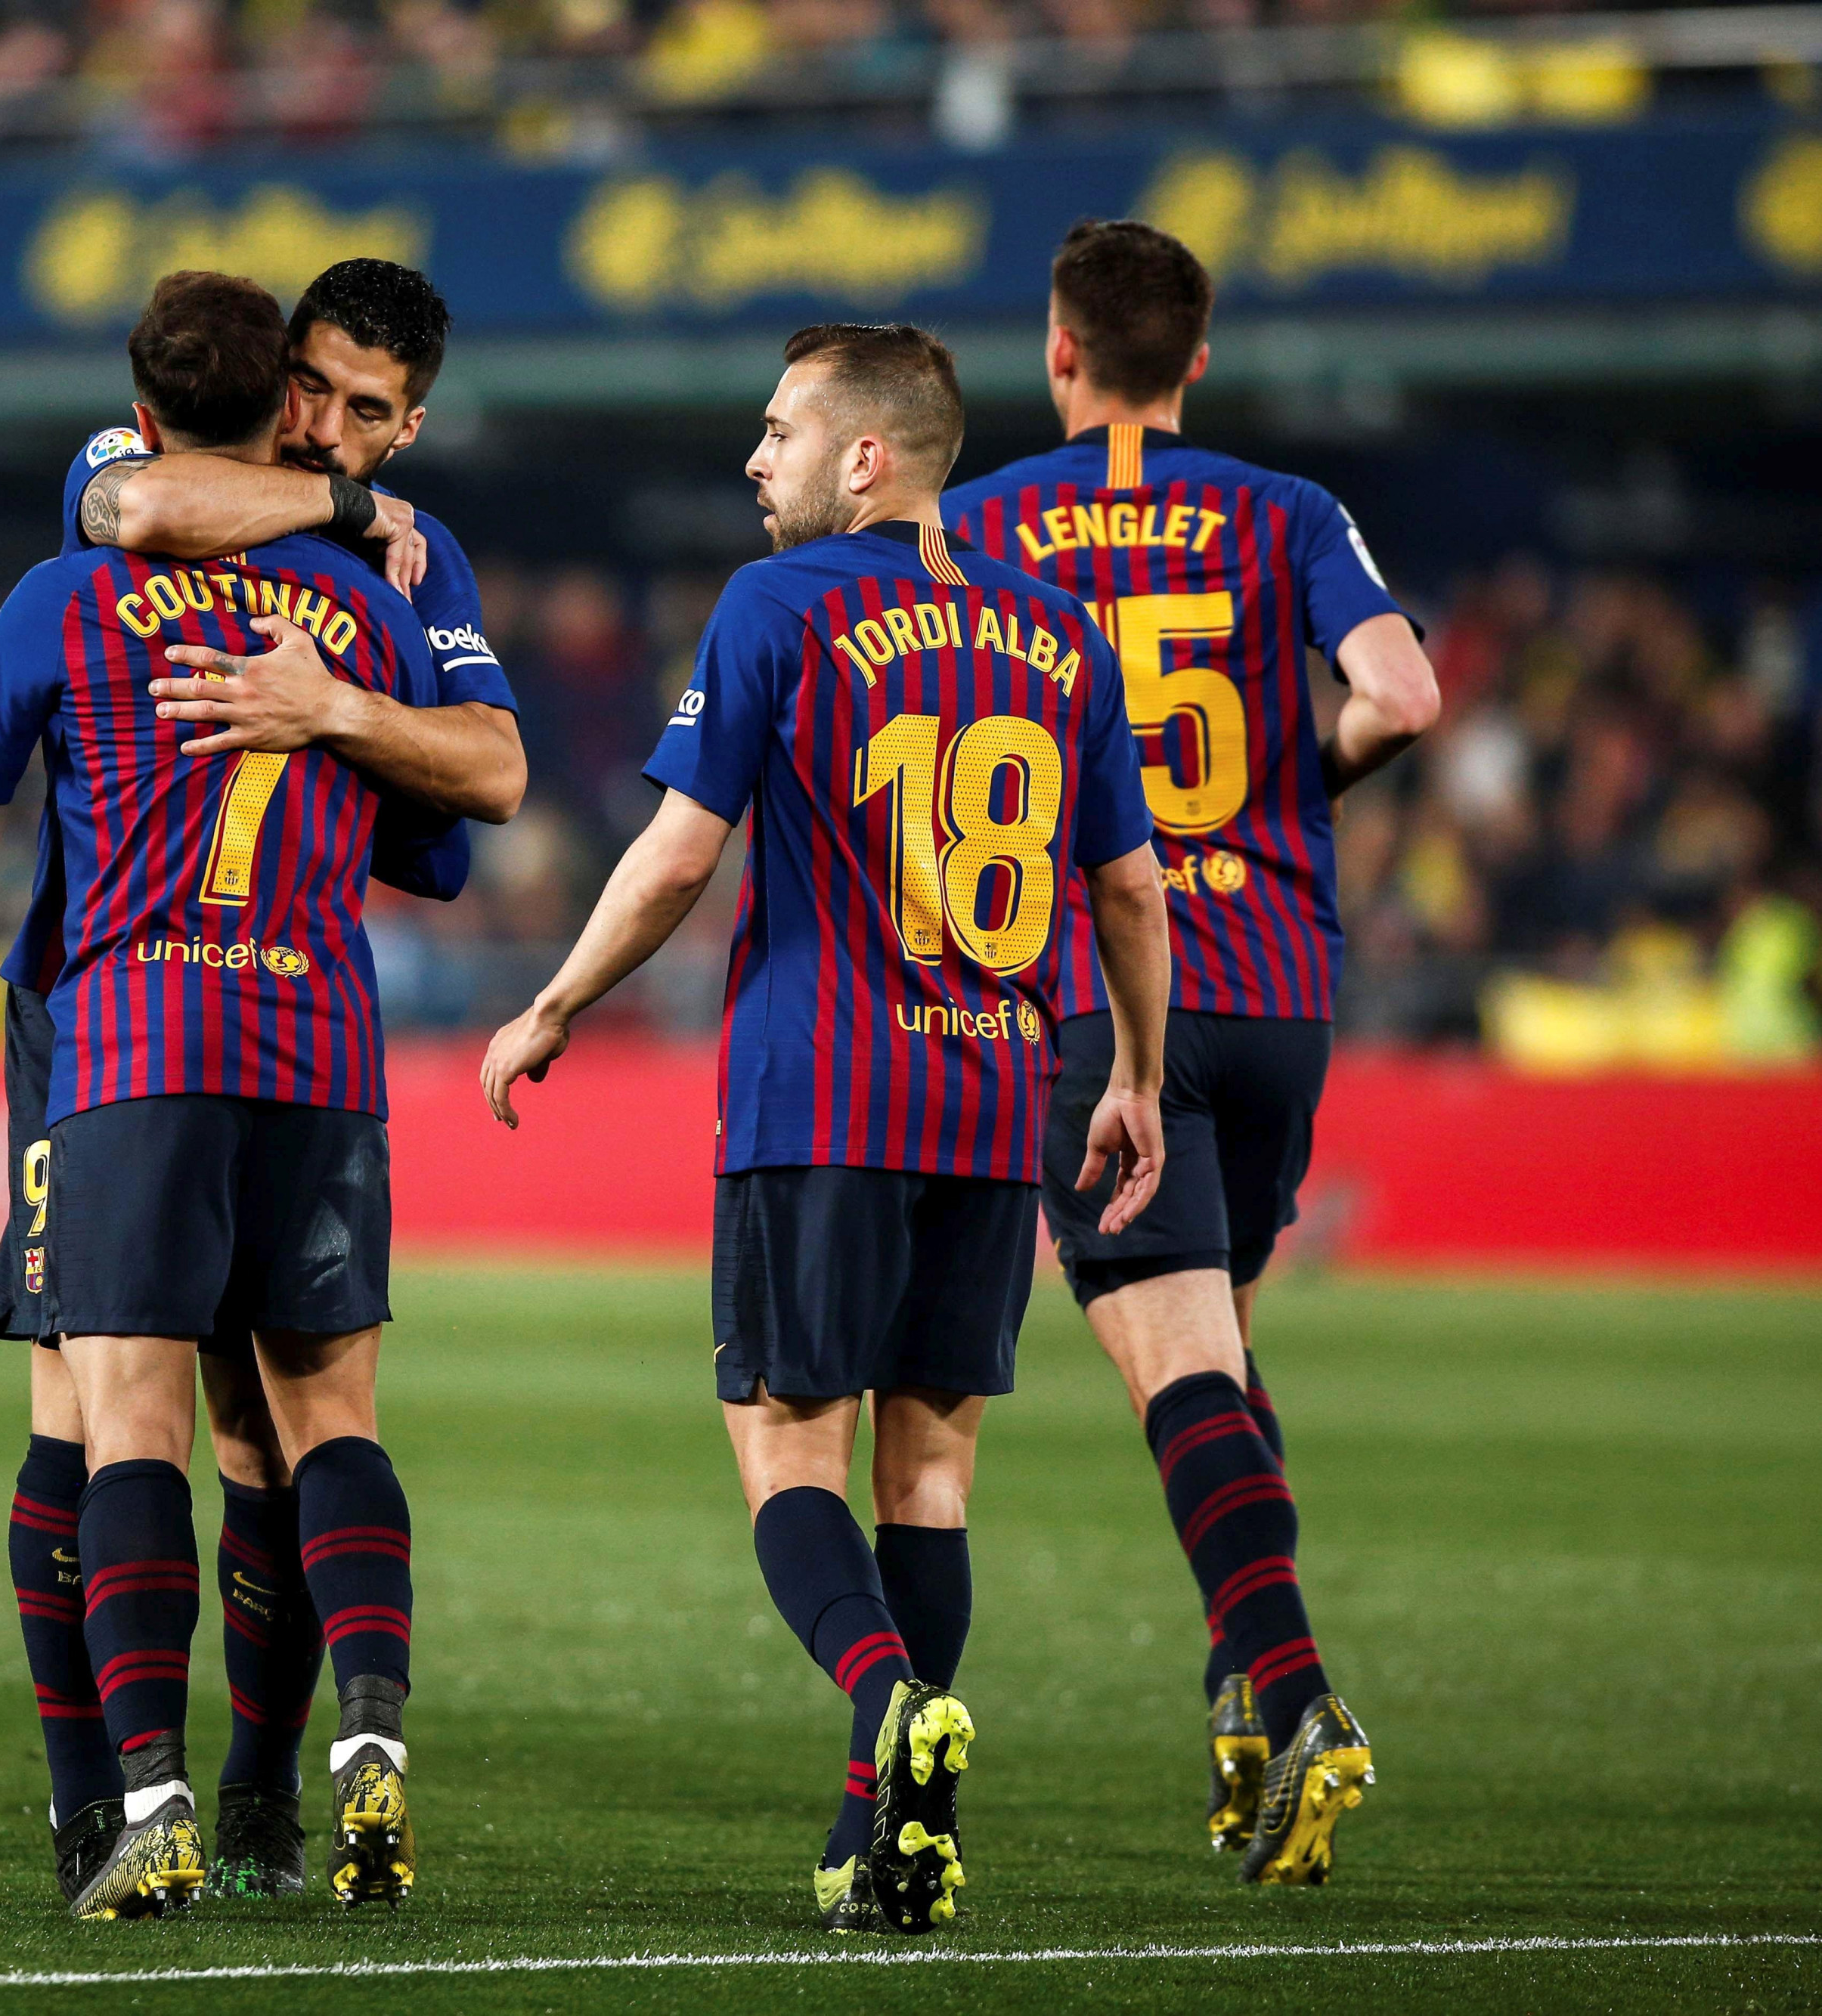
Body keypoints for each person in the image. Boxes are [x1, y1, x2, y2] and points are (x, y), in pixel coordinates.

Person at [481, 324, 1171, 1936]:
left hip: (826, 1097)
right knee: (924, 1479)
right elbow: (1128, 885)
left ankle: (880, 1700)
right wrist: (1132, 1071)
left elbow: (669, 858)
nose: (753, 456)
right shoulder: (1059, 632)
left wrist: (558, 1001)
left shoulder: (777, 606)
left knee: (786, 1448)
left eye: (778, 429)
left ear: (867, 456)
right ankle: (884, 1828)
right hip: (998, 1100)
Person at [0, 271, 499, 1919]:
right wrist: (349, 566)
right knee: (292, 1422)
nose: (331, 425)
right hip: (303, 1028)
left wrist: (335, 714)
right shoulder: (370, 554)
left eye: (368, 413)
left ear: (410, 418)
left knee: (128, 1417)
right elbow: (445, 841)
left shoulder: (84, 577)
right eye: (314, 392)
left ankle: (170, 1796)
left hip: (119, 1024)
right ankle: (282, 1768)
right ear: (285, 389)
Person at [942, 219, 1439, 1885]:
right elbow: (1404, 693)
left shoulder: (984, 521)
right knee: (1210, 1348)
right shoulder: (1283, 511)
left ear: (1057, 352)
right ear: (1198, 360)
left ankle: (1293, 1692)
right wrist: (1296, 783)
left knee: (1174, 1372)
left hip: (1103, 989)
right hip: (1280, 981)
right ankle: (1238, 1693)